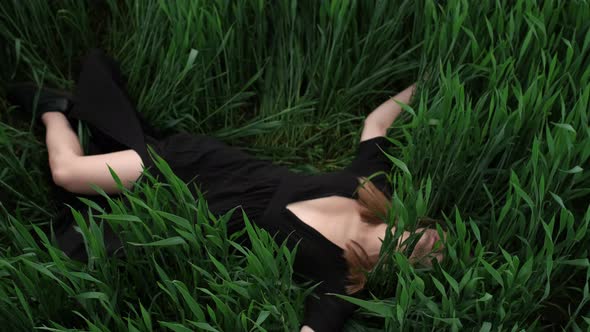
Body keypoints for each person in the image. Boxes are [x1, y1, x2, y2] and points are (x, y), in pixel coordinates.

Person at [7, 49, 445, 332]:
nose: (417, 242)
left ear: (404, 274)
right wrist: (428, 76)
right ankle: (55, 113)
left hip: (190, 204)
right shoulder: (373, 187)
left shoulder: (346, 285)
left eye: (422, 256)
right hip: (205, 164)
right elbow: (377, 124)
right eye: (425, 235)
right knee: (69, 173)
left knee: (74, 192)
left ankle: (54, 112)